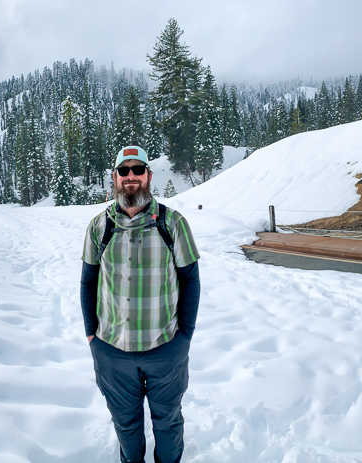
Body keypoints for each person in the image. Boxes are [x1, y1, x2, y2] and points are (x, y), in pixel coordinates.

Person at [80, 145, 201, 463]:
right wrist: (92, 336)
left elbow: (190, 280)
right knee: (126, 426)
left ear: (148, 175)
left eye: (137, 170)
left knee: (168, 423)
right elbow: (88, 282)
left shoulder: (172, 224)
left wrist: (184, 337)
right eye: (124, 171)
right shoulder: (99, 226)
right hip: (112, 353)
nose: (130, 177)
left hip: (165, 350)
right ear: (114, 178)